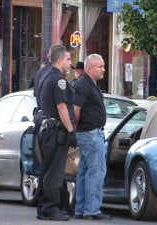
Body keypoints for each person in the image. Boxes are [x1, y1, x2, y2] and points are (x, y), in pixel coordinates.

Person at [34, 44, 77, 221]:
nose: (70, 63)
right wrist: (70, 129)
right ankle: (50, 208)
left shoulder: (45, 76)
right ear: (59, 60)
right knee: (54, 172)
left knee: (47, 169)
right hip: (54, 130)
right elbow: (61, 107)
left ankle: (43, 207)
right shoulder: (58, 80)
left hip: (47, 129)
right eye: (68, 59)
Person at [73, 54, 111, 220]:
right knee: (96, 171)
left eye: (103, 66)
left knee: (85, 171)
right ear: (89, 68)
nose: (103, 69)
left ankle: (81, 209)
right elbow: (76, 109)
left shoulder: (91, 84)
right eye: (99, 67)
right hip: (90, 133)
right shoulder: (83, 85)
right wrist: (75, 128)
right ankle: (92, 210)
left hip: (92, 133)